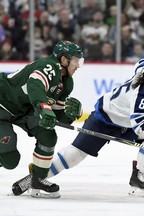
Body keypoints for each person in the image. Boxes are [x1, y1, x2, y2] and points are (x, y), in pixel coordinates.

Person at [12, 45, 144, 198]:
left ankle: (139, 176)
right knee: (75, 155)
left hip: (126, 123)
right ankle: (37, 177)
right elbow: (142, 120)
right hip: (103, 120)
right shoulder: (143, 95)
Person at [0, 40, 84, 198]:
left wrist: (71, 114)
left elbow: (57, 117)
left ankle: (37, 179)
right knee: (10, 160)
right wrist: (44, 108)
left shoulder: (66, 83)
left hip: (24, 110)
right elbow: (35, 84)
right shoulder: (50, 66)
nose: (78, 65)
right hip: (2, 104)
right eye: (75, 61)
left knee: (48, 135)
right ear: (63, 59)